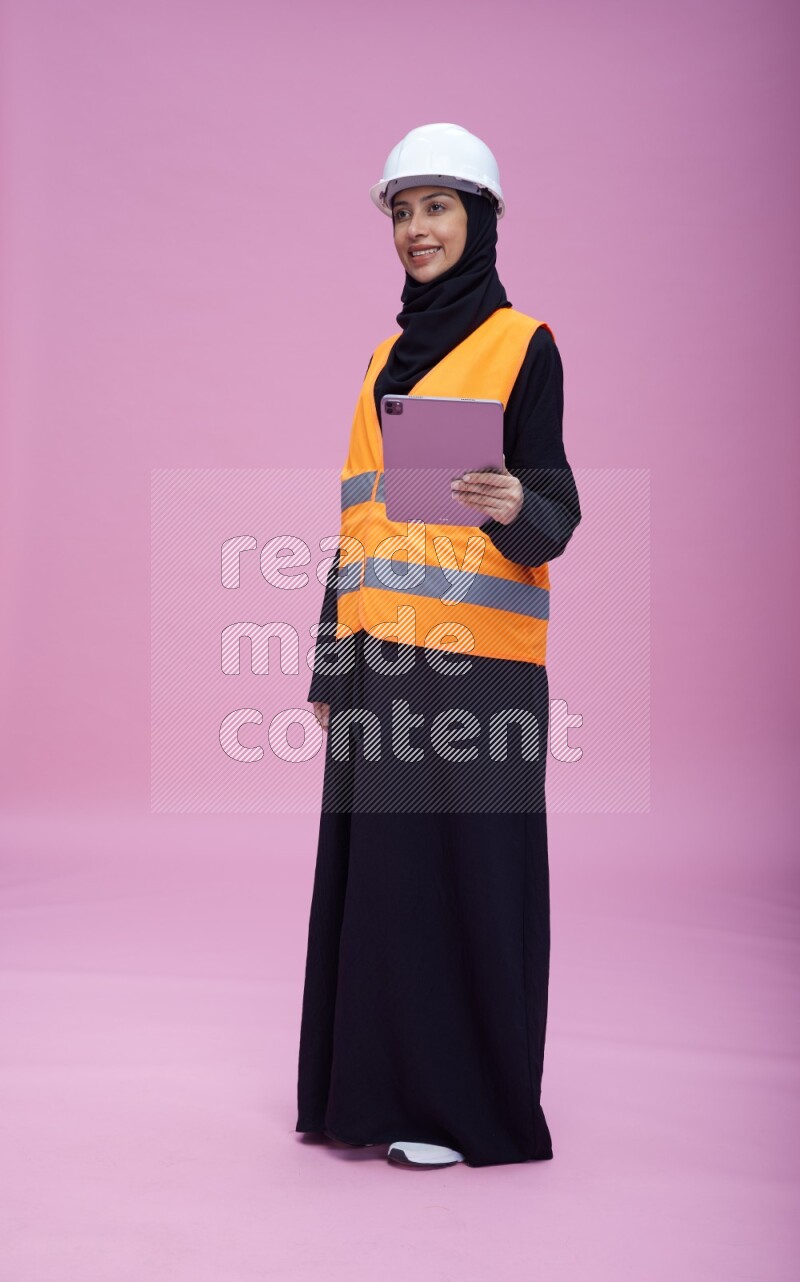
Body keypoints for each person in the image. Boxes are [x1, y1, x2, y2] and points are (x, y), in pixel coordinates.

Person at [295, 123, 581, 1170]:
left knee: (465, 885)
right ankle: (371, 1096)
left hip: (477, 670)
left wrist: (517, 502)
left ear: (481, 219)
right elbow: (360, 516)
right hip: (379, 661)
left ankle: (465, 1111)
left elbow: (553, 508)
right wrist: (331, 658)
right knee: (386, 887)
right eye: (402, 211)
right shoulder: (381, 356)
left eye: (437, 207)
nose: (416, 229)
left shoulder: (524, 344)